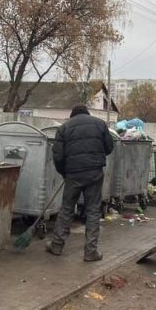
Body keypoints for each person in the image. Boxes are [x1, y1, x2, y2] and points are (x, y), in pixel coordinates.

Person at [47, 103, 114, 261]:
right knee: (93, 211)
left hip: (73, 174)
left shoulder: (64, 128)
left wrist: (65, 173)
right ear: (87, 113)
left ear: (72, 115)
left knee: (66, 209)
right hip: (94, 173)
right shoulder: (100, 124)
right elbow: (109, 147)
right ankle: (91, 252)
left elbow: (57, 156)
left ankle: (57, 245)